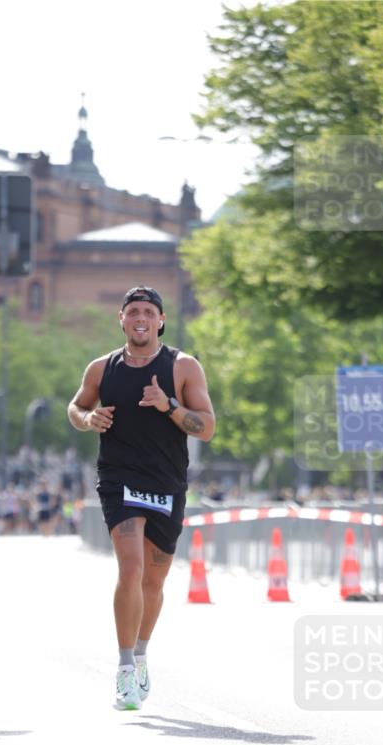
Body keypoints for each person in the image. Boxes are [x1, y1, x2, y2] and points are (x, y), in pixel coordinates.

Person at [68, 285, 215, 710]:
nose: (141, 318)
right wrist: (88, 418)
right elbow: (75, 408)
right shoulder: (102, 368)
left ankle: (142, 653)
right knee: (130, 568)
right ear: (121, 318)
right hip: (119, 479)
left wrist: (168, 405)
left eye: (149, 312)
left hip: (167, 482)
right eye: (133, 311)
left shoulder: (183, 366)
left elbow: (207, 427)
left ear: (160, 320)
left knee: (154, 580)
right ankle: (124, 667)